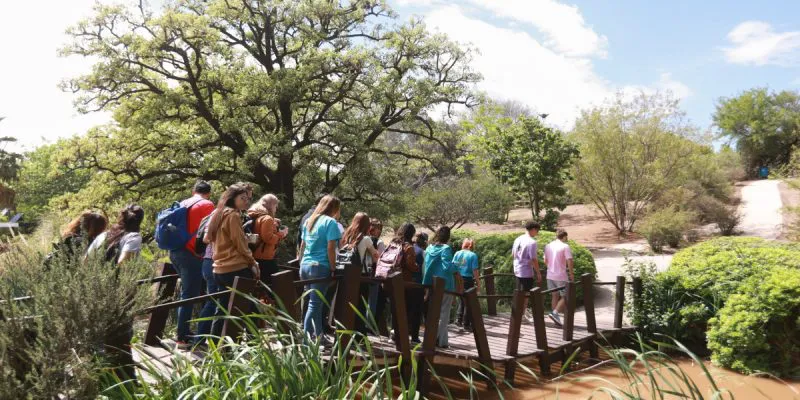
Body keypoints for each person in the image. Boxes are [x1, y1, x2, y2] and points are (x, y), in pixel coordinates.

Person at [85, 204, 144, 381]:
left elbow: (85, 262)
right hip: (118, 292)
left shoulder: (104, 236)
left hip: (95, 289)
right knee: (122, 335)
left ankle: (100, 376)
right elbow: (124, 263)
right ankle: (125, 379)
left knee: (99, 334)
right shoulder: (133, 237)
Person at [205, 183, 260, 337]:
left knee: (222, 310)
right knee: (248, 308)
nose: (246, 202)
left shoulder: (219, 213)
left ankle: (215, 347)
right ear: (232, 198)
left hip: (219, 269)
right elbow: (240, 244)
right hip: (236, 268)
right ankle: (251, 345)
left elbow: (208, 238)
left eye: (247, 199)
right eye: (242, 198)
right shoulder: (233, 215)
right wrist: (253, 262)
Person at [169, 181, 215, 349]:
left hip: (174, 252)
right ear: (208, 193)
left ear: (193, 190)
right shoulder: (207, 205)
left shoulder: (183, 203)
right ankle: (182, 337)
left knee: (189, 292)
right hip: (192, 254)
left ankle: (191, 331)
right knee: (189, 295)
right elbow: (210, 230)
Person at [299, 195, 342, 341]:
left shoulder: (309, 221)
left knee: (315, 303)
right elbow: (331, 248)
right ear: (334, 208)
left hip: (305, 266)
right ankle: (305, 340)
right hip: (319, 267)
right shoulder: (331, 222)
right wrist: (333, 267)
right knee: (315, 304)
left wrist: (300, 263)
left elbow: (303, 245)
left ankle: (319, 335)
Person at [339, 212, 380, 333]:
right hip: (360, 276)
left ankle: (345, 329)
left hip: (344, 274)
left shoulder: (346, 235)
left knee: (347, 304)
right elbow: (375, 257)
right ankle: (359, 334)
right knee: (361, 306)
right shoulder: (366, 239)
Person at [422, 226, 456, 348]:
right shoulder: (446, 248)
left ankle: (440, 340)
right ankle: (439, 341)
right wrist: (456, 265)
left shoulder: (429, 248)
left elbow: (426, 266)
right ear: (448, 237)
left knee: (433, 314)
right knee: (444, 314)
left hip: (431, 285)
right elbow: (447, 267)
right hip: (445, 285)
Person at [384, 222, 418, 341]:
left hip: (391, 279)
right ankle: (400, 336)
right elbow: (410, 264)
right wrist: (417, 267)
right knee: (404, 309)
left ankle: (393, 334)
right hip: (404, 281)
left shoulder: (393, 243)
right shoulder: (409, 247)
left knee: (394, 309)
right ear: (411, 233)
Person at [248, 194, 289, 286]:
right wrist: (281, 234)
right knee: (273, 285)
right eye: (276, 206)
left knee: (259, 285)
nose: (276, 208)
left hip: (254, 254)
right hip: (265, 257)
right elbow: (268, 238)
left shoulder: (255, 215)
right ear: (271, 205)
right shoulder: (267, 218)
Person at [543, 229, 574, 328]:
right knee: (566, 296)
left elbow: (545, 260)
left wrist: (551, 267)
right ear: (564, 236)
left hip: (550, 275)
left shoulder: (548, 246)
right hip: (560, 275)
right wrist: (571, 273)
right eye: (566, 237)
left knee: (554, 296)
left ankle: (555, 317)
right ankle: (555, 313)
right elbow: (569, 260)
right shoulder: (565, 246)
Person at [512, 221, 542, 322]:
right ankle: (522, 315)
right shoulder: (532, 242)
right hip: (526, 271)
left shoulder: (518, 239)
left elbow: (513, 254)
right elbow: (534, 259)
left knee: (519, 293)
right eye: (537, 231)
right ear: (533, 229)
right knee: (526, 295)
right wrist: (538, 272)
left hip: (517, 268)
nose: (537, 233)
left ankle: (519, 314)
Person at [454, 238, 480, 331]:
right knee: (468, 301)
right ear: (471, 246)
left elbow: (453, 266)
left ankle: (458, 319)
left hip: (457, 279)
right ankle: (466, 324)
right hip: (467, 280)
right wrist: (478, 282)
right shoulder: (473, 255)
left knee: (461, 299)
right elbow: (475, 270)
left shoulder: (457, 253)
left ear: (463, 245)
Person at [367, 218, 387, 332]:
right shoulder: (379, 242)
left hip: (362, 272)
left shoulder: (361, 238)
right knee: (372, 301)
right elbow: (380, 259)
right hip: (374, 273)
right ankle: (369, 325)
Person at [408, 232, 428, 343]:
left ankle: (397, 334)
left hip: (404, 283)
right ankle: (414, 338)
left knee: (405, 310)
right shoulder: (422, 253)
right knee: (416, 312)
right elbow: (424, 271)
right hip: (417, 285)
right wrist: (426, 289)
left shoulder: (406, 248)